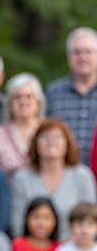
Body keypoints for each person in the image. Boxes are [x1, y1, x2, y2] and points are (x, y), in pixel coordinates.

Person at [11, 118, 96, 241]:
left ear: (67, 144)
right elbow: (17, 224)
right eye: (45, 137)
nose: (51, 142)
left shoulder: (82, 176)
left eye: (57, 137)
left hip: (74, 249)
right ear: (35, 143)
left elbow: (91, 219)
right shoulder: (22, 178)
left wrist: (65, 250)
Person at [46, 26, 97, 165]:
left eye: (88, 52)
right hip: (63, 175)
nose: (83, 58)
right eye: (77, 52)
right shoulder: (53, 93)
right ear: (69, 56)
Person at [0, 72, 45, 178]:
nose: (23, 101)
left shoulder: (48, 131)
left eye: (29, 96)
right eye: (17, 97)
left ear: (38, 102)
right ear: (10, 103)